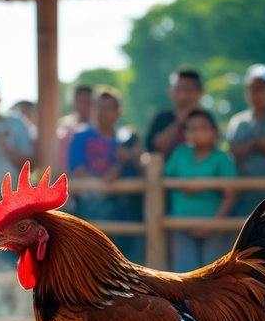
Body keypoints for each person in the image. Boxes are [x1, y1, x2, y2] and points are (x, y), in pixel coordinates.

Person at [67, 88, 143, 260]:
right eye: (99, 107)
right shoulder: (81, 136)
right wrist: (104, 181)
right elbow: (78, 171)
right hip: (91, 207)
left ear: (118, 112)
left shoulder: (127, 138)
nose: (103, 112)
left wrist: (126, 158)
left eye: (109, 108)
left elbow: (142, 166)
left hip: (124, 209)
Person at [163, 109, 236, 273]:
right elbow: (164, 180)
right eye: (191, 128)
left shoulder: (222, 158)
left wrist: (214, 224)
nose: (196, 133)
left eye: (202, 128)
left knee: (212, 275)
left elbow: (230, 195)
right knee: (183, 275)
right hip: (180, 225)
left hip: (213, 227)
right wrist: (182, 185)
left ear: (215, 132)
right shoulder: (180, 153)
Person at [226, 64, 265, 219]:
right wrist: (259, 143)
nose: (257, 93)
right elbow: (235, 152)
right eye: (253, 88)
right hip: (243, 198)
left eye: (262, 88)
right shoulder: (237, 121)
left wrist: (250, 145)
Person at [147, 69, 204, 156]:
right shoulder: (161, 118)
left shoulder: (206, 119)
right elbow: (155, 148)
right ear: (171, 92)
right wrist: (178, 123)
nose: (183, 95)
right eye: (178, 89)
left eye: (187, 90)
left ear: (199, 92)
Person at [56, 84, 93, 169]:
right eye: (80, 100)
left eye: (88, 101)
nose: (84, 105)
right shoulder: (63, 127)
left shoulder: (98, 129)